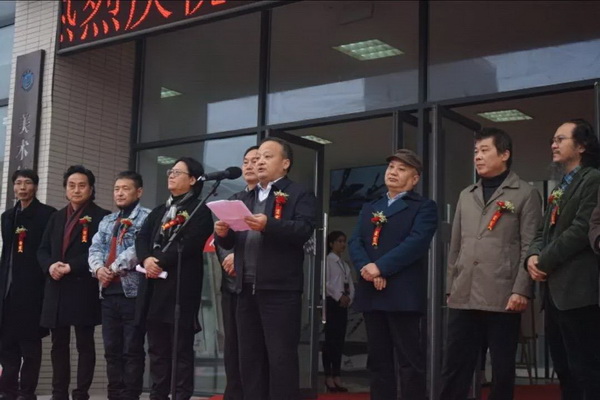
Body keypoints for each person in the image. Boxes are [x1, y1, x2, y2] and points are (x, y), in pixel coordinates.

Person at [439, 128, 542, 400]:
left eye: (485, 150)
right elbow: (456, 246)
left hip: (503, 295)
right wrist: (451, 286)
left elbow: (530, 245)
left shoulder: (525, 193)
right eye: (476, 151)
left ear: (504, 154)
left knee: (502, 368)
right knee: (455, 366)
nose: (478, 156)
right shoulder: (466, 194)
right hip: (464, 293)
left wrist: (521, 289)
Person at [214, 137, 316, 400]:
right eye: (257, 157)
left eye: (267, 156)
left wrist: (269, 225)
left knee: (280, 358)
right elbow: (232, 241)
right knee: (249, 357)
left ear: (285, 163)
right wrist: (223, 234)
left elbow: (304, 230)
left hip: (279, 290)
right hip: (244, 289)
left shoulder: (298, 193)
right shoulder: (242, 197)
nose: (259, 161)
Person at [348, 149, 437, 400]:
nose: (393, 173)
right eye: (391, 168)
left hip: (402, 293)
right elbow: (356, 241)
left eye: (401, 169)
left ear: (415, 178)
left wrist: (381, 267)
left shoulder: (424, 207)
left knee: (409, 361)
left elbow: (416, 243)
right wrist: (368, 268)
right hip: (372, 291)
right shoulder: (371, 206)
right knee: (378, 360)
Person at [527, 119, 600, 399]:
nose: (553, 145)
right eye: (553, 140)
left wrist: (543, 261)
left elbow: (581, 230)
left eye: (560, 139)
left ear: (581, 146)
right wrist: (532, 256)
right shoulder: (560, 187)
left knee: (586, 369)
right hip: (554, 293)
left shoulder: (592, 179)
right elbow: (542, 231)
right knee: (564, 369)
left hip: (579, 292)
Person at [135, 157, 214, 400]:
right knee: (157, 349)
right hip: (153, 287)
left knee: (180, 349)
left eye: (177, 172)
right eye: (171, 171)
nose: (171, 175)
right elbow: (142, 237)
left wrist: (158, 261)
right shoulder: (159, 210)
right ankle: (157, 394)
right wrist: (146, 260)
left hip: (180, 287)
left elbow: (190, 244)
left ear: (193, 180)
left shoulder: (200, 211)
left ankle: (180, 395)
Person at [38, 165, 110, 400]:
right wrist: (50, 266)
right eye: (71, 185)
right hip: (56, 286)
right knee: (58, 344)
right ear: (65, 189)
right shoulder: (56, 217)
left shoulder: (102, 216)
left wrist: (71, 266)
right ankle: (59, 393)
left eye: (81, 185)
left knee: (84, 343)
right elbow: (42, 249)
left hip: (82, 286)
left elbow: (100, 250)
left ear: (91, 189)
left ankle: (81, 393)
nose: (76, 190)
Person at [88, 171, 151, 400]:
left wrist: (113, 268)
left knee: (131, 350)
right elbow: (95, 248)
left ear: (139, 192)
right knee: (111, 350)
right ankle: (114, 395)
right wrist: (98, 269)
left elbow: (138, 249)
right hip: (108, 293)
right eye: (117, 189)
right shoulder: (107, 220)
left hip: (132, 293)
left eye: (125, 188)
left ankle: (130, 395)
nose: (120, 193)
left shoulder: (147, 217)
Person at [0, 170, 56, 400]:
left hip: (32, 292)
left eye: (27, 183)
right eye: (18, 183)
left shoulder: (47, 214)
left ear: (36, 186)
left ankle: (27, 392)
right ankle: (8, 391)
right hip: (7, 291)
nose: (22, 187)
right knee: (6, 345)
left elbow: (47, 252)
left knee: (30, 347)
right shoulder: (7, 216)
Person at [215, 145, 259, 400]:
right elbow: (221, 237)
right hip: (232, 283)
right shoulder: (234, 199)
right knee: (232, 345)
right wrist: (227, 257)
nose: (250, 165)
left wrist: (239, 257)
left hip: (256, 282)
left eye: (256, 160)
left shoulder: (268, 200)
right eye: (246, 161)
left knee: (252, 346)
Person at [323, 230, 354, 393]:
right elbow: (326, 283)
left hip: (343, 304)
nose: (342, 244)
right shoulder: (327, 261)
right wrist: (338, 296)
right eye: (339, 241)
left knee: (339, 340)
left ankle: (337, 374)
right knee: (331, 340)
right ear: (331, 243)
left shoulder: (344, 264)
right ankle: (328, 375)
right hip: (332, 303)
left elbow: (350, 283)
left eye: (344, 241)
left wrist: (349, 298)